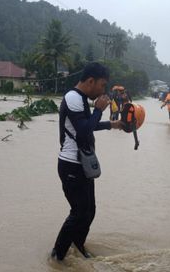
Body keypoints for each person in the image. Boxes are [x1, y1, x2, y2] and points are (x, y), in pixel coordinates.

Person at [51, 62, 123, 261]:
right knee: (78, 212)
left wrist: (111, 124)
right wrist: (99, 110)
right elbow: (83, 131)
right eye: (102, 85)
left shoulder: (81, 99)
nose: (103, 91)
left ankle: (77, 247)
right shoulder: (73, 97)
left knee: (89, 211)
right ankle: (57, 257)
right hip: (71, 165)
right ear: (90, 81)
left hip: (82, 165)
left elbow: (85, 125)